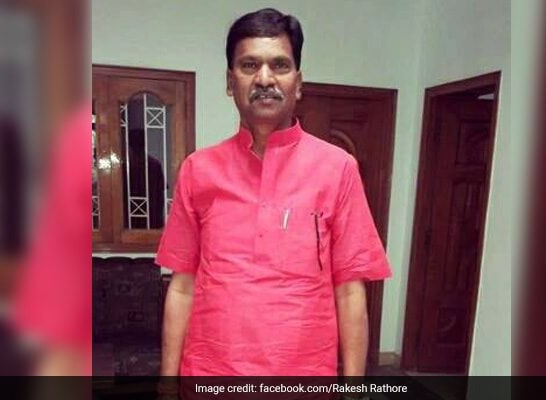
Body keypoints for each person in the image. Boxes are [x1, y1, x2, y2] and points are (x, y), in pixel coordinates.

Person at [156, 8, 391, 384]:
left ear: (298, 83)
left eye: (279, 65)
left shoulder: (337, 169)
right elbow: (182, 288)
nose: (264, 78)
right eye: (249, 65)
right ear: (230, 82)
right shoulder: (198, 170)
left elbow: (349, 291)